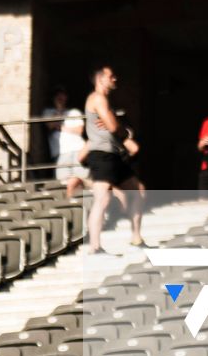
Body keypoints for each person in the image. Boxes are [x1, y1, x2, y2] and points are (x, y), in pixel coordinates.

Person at [84, 64, 145, 253]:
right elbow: (111, 125)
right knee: (102, 199)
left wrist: (118, 127)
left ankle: (136, 237)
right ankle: (95, 246)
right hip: (102, 155)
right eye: (111, 76)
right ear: (100, 79)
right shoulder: (98, 98)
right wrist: (124, 133)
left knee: (138, 190)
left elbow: (112, 124)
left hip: (113, 155)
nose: (115, 79)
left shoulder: (103, 101)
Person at [56, 108, 91, 197]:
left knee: (81, 179)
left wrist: (61, 128)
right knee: (64, 182)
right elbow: (49, 124)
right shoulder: (49, 112)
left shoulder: (74, 112)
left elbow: (79, 130)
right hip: (62, 153)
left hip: (77, 150)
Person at [40, 87, 70, 166]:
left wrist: (59, 127)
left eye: (62, 94)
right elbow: (50, 125)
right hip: (59, 152)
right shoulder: (47, 112)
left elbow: (78, 130)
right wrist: (59, 109)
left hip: (75, 149)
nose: (60, 97)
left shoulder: (72, 112)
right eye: (57, 95)